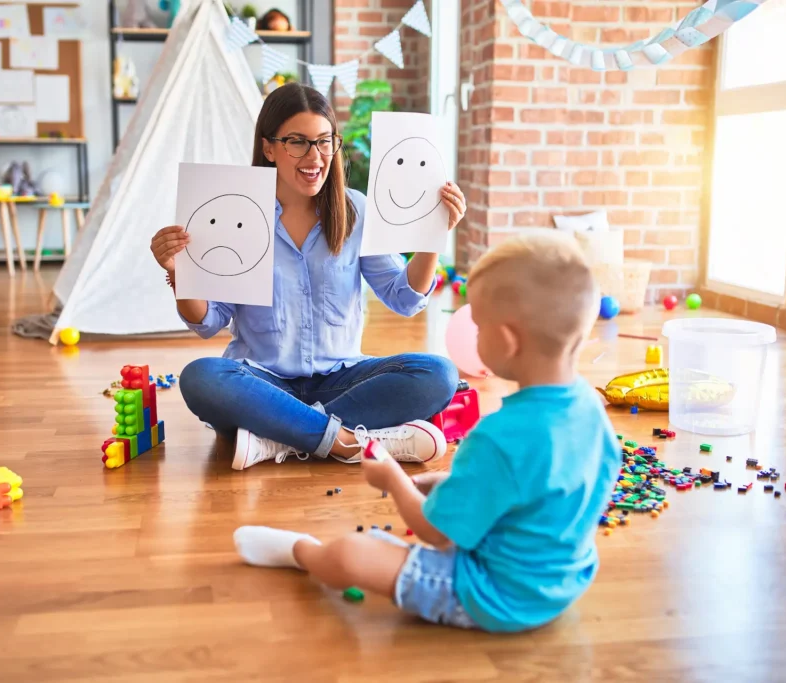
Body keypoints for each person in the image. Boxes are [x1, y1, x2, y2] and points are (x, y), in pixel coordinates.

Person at [231, 231, 622, 633]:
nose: (474, 336)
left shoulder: (497, 436)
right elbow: (555, 483)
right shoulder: (590, 406)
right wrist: (459, 484)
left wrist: (393, 480)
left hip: (494, 594)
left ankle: (303, 552)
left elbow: (435, 533)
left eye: (478, 326)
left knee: (350, 554)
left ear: (506, 341)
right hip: (562, 583)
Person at [149, 83, 465, 470]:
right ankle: (347, 440)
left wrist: (431, 235)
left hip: (342, 378)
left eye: (324, 141)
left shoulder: (355, 211)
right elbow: (208, 321)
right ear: (269, 148)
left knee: (438, 373)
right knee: (202, 377)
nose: (314, 156)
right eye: (297, 142)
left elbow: (404, 299)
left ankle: (275, 438)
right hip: (263, 382)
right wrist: (181, 273)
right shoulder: (237, 212)